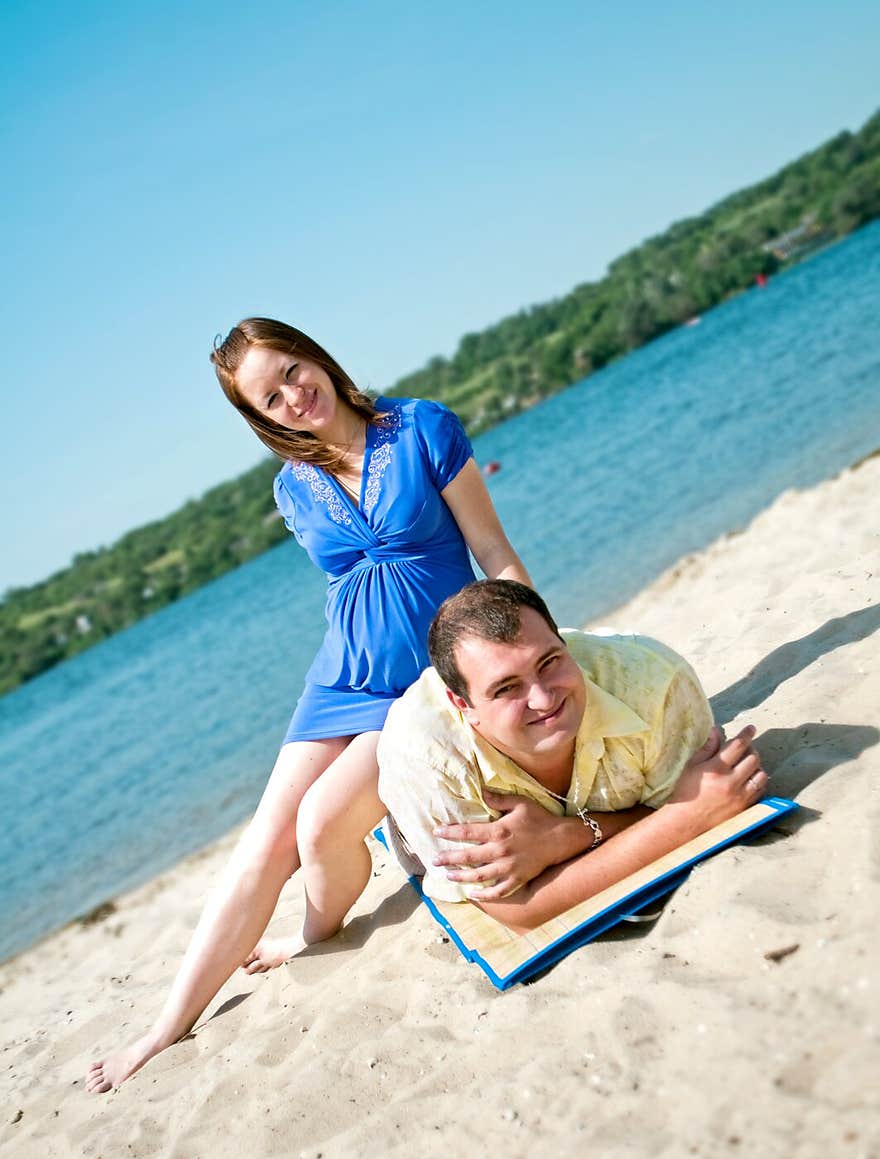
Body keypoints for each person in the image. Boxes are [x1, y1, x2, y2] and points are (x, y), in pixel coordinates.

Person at [86, 319, 530, 1092]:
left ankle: (313, 935)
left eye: (293, 369)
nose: (295, 394)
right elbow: (351, 584)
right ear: (261, 416)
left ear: (315, 355)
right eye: (271, 395)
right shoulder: (292, 489)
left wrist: (528, 654)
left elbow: (491, 552)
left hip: (418, 682)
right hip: (339, 681)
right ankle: (165, 1025)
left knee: (320, 823)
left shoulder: (423, 427)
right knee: (264, 839)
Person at [377, 580, 768, 929]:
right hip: (417, 821)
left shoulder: (655, 683)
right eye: (507, 688)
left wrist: (564, 837)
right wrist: (685, 815)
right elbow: (518, 910)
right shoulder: (423, 758)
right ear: (462, 704)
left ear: (564, 643)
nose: (544, 699)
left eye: (549, 662)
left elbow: (709, 802)